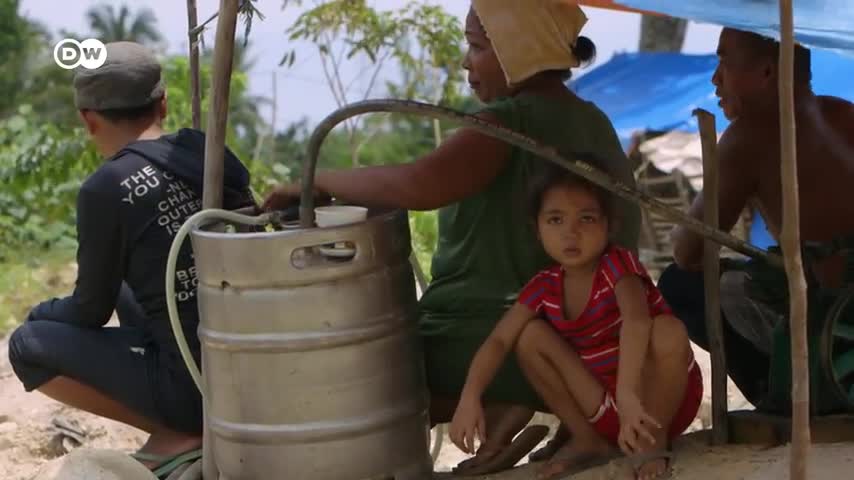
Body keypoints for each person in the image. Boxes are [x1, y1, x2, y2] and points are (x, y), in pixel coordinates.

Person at [264, 0, 640, 473]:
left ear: (517, 50)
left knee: (343, 375)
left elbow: (418, 184)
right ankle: (525, 408)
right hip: (586, 343)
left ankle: (504, 401)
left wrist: (315, 183)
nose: (466, 61)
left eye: (477, 46)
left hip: (500, 339)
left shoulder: (505, 124)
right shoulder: (593, 120)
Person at [7, 42, 256, 477]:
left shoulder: (105, 187)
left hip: (192, 384)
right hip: (250, 354)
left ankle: (179, 430)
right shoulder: (203, 149)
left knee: (27, 346)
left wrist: (41, 312)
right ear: (163, 103)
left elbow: (90, 309)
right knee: (128, 279)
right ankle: (188, 419)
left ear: (88, 119)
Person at [447, 167, 701, 480]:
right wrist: (469, 397)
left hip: (657, 403)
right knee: (529, 336)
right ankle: (588, 440)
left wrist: (628, 393)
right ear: (537, 229)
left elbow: (636, 322)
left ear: (609, 226)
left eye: (586, 218)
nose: (571, 232)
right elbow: (499, 341)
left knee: (667, 329)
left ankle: (651, 444)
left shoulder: (617, 264)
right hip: (602, 408)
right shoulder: (543, 286)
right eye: (555, 219)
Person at [660, 27, 854, 406]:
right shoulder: (844, 112)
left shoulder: (749, 133)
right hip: (845, 302)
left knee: (679, 284)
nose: (715, 79)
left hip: (829, 311)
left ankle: (779, 395)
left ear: (767, 72)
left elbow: (688, 252)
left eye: (724, 62)